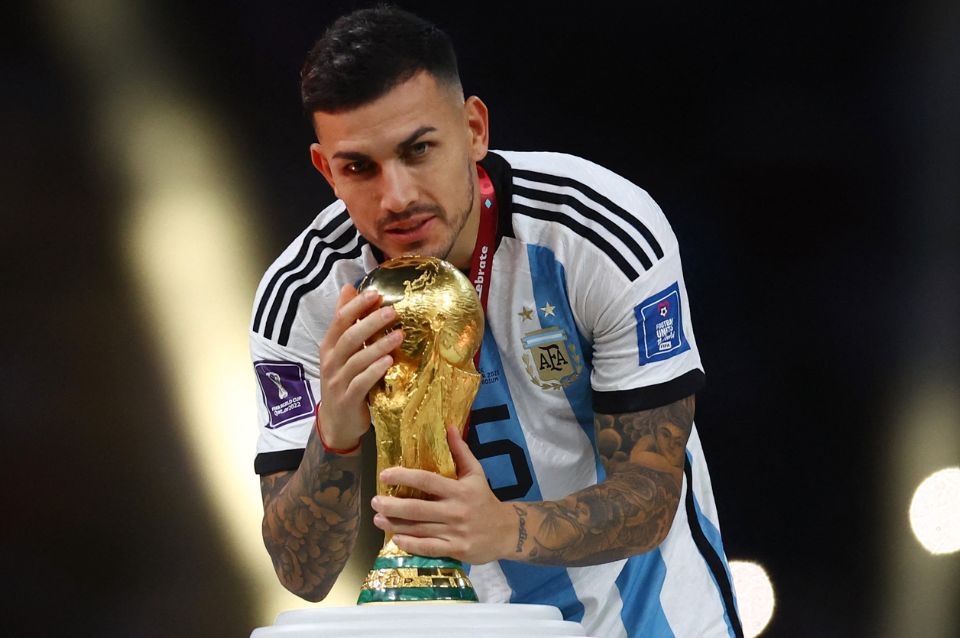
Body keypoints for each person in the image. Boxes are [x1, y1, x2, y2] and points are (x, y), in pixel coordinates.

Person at [249, 4, 742, 637]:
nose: (396, 196)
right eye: (358, 167)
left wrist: (503, 528)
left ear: (474, 129)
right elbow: (303, 572)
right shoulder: (304, 299)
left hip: (656, 623)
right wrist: (335, 431)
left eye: (418, 149)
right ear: (325, 170)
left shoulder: (596, 233)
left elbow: (651, 493)